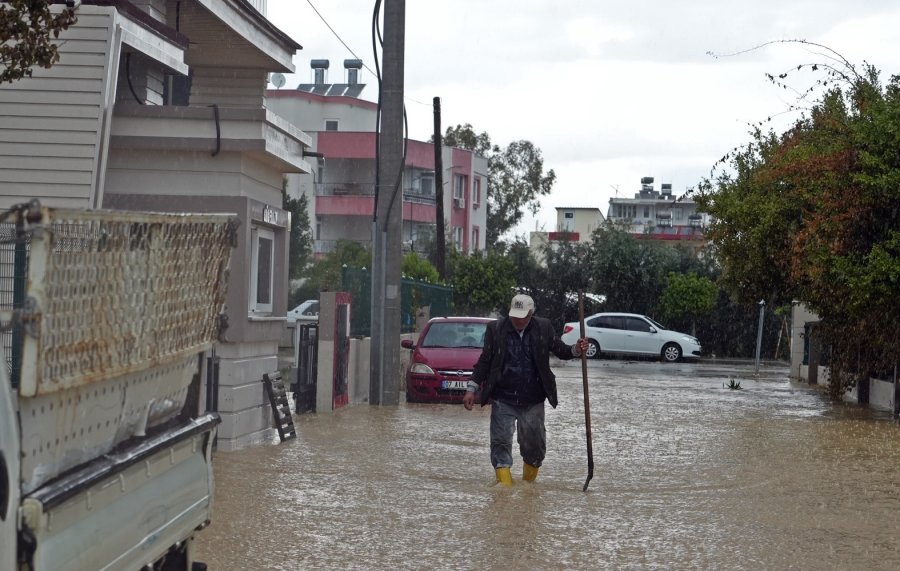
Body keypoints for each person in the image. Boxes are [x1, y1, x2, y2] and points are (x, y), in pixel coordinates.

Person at [463, 294, 589, 486]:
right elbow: (485, 361)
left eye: (523, 316)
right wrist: (471, 389)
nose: (519, 320)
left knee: (534, 449)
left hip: (533, 399)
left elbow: (560, 350)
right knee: (500, 445)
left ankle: (528, 491)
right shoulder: (496, 329)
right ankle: (505, 492)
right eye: (515, 316)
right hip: (503, 398)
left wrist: (577, 350)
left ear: (531, 313)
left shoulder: (543, 327)